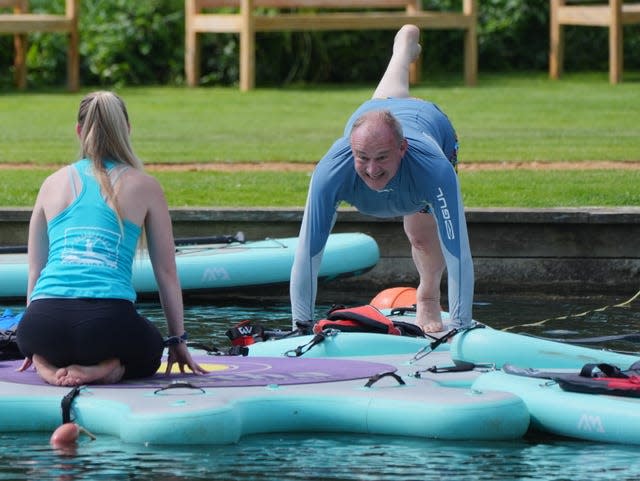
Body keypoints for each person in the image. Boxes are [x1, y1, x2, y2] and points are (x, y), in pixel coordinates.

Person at [290, 25, 474, 333]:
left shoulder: (433, 169)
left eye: (382, 159)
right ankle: (402, 51)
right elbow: (308, 252)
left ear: (401, 149)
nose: (372, 170)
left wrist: (460, 326)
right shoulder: (331, 171)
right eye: (362, 158)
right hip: (374, 112)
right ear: (351, 148)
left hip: (428, 125)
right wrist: (301, 325)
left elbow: (459, 254)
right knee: (385, 100)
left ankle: (428, 294)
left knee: (420, 234)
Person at [16, 91, 207, 386]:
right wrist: (177, 340)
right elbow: (166, 273)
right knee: (151, 349)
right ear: (127, 130)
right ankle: (108, 368)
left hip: (41, 323)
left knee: (45, 339)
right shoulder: (145, 186)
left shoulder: (51, 183)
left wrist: (33, 341)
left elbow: (35, 270)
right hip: (107, 326)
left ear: (79, 131)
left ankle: (44, 364)